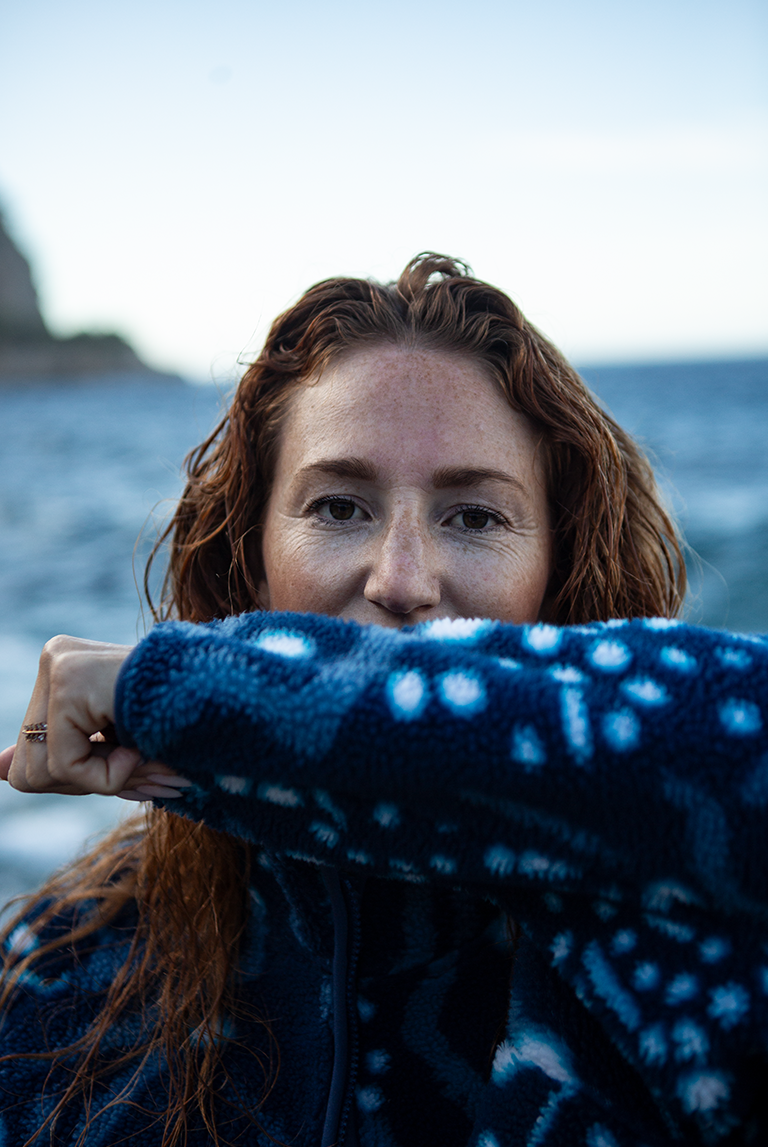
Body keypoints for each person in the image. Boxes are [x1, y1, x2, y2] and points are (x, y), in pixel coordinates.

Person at [0, 253, 765, 1147]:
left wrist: (195, 691)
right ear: (250, 556)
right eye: (337, 507)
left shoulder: (662, 935)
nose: (402, 580)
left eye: (474, 516)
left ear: (560, 576)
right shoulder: (63, 966)